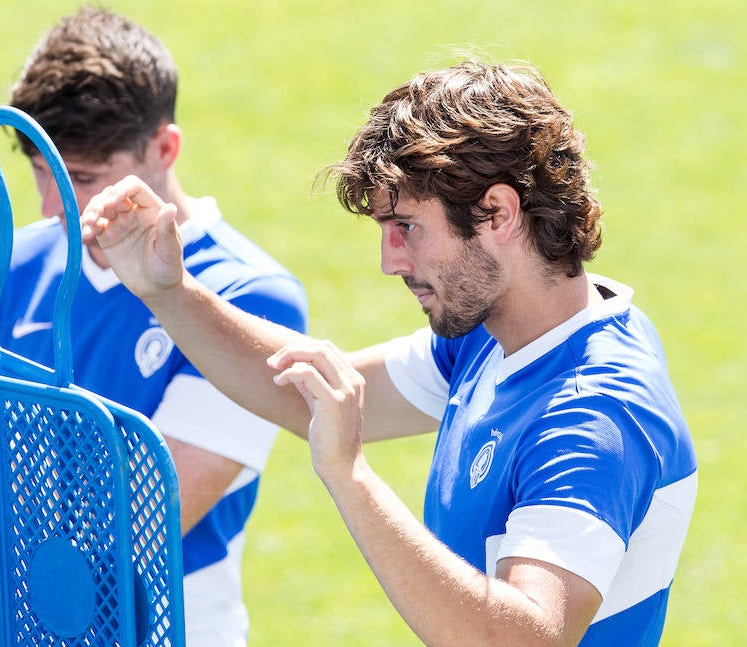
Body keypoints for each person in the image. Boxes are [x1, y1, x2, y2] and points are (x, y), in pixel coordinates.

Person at [79, 59, 698, 645]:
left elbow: (524, 636)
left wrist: (351, 476)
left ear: (499, 213)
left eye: (407, 228)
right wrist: (172, 293)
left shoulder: (597, 414)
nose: (388, 261)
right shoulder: (495, 336)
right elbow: (320, 396)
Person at [0, 6, 308, 646]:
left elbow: (137, 526)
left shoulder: (254, 301)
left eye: (82, 178)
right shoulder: (7, 263)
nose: (52, 208)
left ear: (164, 148)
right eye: (40, 171)